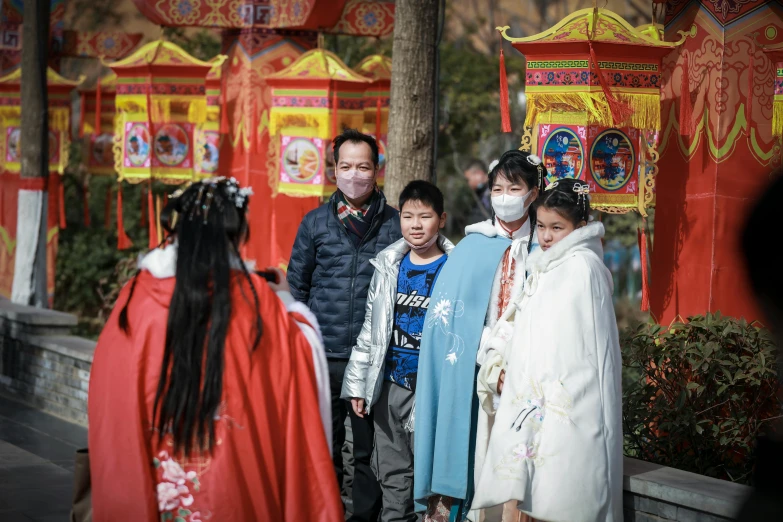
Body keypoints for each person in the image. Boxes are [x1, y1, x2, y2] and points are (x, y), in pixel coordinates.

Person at [88, 178, 342, 521]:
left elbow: (110, 391)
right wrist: (287, 300)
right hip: (238, 476)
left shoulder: (138, 297)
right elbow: (299, 359)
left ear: (179, 230)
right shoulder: (255, 299)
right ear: (237, 233)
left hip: (155, 475)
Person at [472, 178, 622, 522]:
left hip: (565, 405)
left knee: (556, 497)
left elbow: (583, 356)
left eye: (558, 227)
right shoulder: (549, 266)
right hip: (536, 400)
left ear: (580, 226)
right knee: (526, 496)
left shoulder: (582, 268)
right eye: (540, 225)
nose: (546, 236)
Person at [414, 150, 543, 522]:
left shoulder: (545, 248)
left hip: (525, 379)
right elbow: (448, 324)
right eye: (497, 188)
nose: (504, 196)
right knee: (470, 458)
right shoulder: (471, 247)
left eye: (513, 187)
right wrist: (489, 353)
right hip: (472, 375)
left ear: (533, 193)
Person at [288, 128, 401, 521]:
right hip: (325, 355)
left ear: (377, 170)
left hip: (371, 359)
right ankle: (326, 511)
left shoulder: (394, 224)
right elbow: (297, 285)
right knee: (324, 445)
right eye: (347, 166)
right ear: (334, 169)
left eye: (364, 167)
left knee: (368, 449)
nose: (356, 174)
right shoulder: (315, 222)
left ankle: (364, 516)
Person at [342, 180, 454, 522]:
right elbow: (370, 331)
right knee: (392, 475)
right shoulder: (388, 265)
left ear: (442, 219)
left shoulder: (454, 268)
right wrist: (359, 385)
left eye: (425, 216)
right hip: (389, 385)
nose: (416, 225)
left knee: (431, 476)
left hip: (432, 389)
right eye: (408, 216)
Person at [464, 159, 492, 226]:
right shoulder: (480, 194)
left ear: (479, 174)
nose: (469, 183)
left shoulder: (494, 193)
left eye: (469, 179)